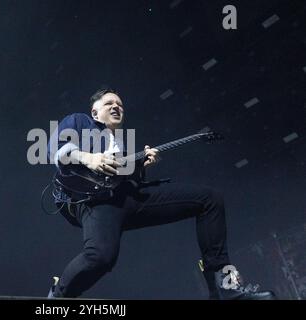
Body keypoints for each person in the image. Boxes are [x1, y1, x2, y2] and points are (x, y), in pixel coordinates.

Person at [46, 88, 275, 300]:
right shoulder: (79, 121)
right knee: (100, 258)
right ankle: (59, 295)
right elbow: (57, 151)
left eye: (120, 104)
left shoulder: (121, 146)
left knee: (209, 199)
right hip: (96, 203)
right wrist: (89, 157)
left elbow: (125, 180)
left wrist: (141, 166)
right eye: (109, 103)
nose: (117, 106)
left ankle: (223, 286)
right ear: (95, 111)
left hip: (129, 199)